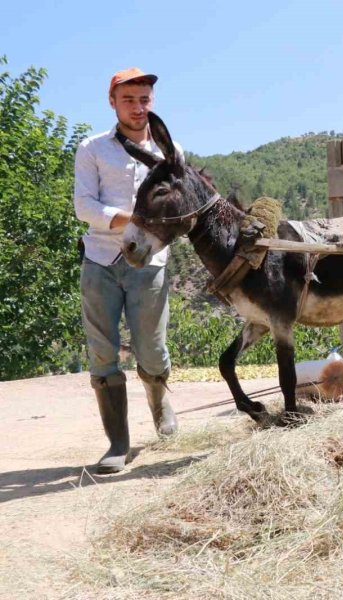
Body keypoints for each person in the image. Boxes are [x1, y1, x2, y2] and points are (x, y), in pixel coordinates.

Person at [73, 68, 183, 474]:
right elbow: (83, 207)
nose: (138, 107)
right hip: (101, 260)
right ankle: (118, 442)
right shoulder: (93, 149)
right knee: (102, 351)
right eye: (129, 100)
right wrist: (133, 220)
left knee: (151, 348)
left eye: (144, 99)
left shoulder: (171, 151)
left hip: (149, 264)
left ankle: (160, 403)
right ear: (113, 102)